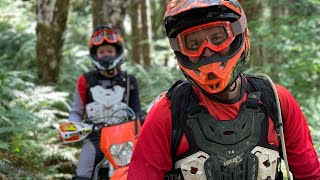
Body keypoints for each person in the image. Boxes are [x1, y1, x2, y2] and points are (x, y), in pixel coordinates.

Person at [127, 0, 320, 179]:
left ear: (238, 34)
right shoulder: (167, 113)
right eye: (193, 44)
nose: (207, 50)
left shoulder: (277, 101)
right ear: (180, 49)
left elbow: (310, 175)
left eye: (218, 38)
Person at [68, 25, 142, 180]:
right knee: (82, 175)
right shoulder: (86, 80)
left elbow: (137, 112)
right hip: (93, 135)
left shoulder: (129, 80)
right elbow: (76, 110)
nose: (106, 55)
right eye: (101, 52)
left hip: (123, 137)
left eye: (110, 51)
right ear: (95, 54)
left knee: (129, 174)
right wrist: (72, 125)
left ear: (117, 52)